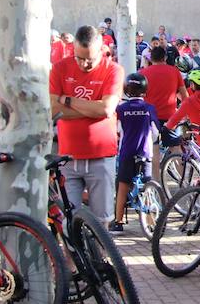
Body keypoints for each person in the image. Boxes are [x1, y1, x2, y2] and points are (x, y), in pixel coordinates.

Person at [49, 25, 124, 225]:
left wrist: (67, 100)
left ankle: (99, 256)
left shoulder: (114, 70)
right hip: (68, 157)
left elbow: (106, 109)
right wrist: (91, 108)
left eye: (89, 59)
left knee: (102, 220)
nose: (84, 64)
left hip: (101, 155)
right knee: (68, 221)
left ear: (101, 50)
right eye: (79, 58)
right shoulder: (59, 68)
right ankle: (72, 257)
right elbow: (53, 110)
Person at [110, 72, 157, 233]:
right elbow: (155, 132)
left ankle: (118, 221)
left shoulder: (121, 109)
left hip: (127, 152)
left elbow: (115, 131)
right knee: (147, 187)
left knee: (122, 186)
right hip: (145, 153)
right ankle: (152, 222)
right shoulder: (149, 108)